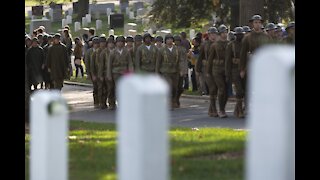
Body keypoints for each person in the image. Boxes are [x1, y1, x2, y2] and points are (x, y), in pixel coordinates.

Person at [240, 14, 270, 113]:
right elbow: (243, 54)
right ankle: (248, 107)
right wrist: (242, 69)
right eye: (255, 22)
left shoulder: (266, 37)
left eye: (259, 22)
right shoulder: (247, 37)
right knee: (249, 87)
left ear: (261, 24)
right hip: (251, 65)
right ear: (252, 24)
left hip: (264, 66)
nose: (257, 24)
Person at [207, 24, 230, 118]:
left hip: (227, 69)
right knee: (221, 88)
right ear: (219, 34)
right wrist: (208, 72)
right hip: (217, 69)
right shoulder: (215, 45)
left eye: (226, 32)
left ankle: (223, 108)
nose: (224, 34)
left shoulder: (230, 44)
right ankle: (220, 110)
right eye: (222, 33)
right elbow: (210, 60)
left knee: (226, 91)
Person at [156, 34, 182, 109]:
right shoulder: (162, 50)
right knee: (169, 86)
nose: (169, 41)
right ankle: (169, 102)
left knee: (175, 87)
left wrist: (181, 69)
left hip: (175, 71)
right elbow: (158, 62)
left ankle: (174, 100)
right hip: (165, 71)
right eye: (168, 39)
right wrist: (157, 73)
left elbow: (180, 60)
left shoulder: (177, 49)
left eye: (171, 39)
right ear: (165, 41)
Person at [107, 36, 134, 109]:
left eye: (122, 42)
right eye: (119, 42)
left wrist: (131, 71)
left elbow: (130, 62)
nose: (120, 44)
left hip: (125, 72)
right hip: (116, 72)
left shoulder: (126, 52)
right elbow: (109, 64)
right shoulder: (113, 52)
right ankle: (113, 103)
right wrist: (109, 74)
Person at [197, 27, 219, 115]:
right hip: (207, 69)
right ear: (208, 35)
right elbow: (200, 57)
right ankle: (214, 109)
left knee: (216, 89)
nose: (213, 36)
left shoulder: (219, 44)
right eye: (211, 34)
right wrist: (198, 69)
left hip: (217, 68)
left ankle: (211, 108)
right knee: (212, 88)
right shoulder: (204, 45)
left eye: (215, 34)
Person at [225, 27, 246, 118]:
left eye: (241, 34)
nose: (240, 36)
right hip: (235, 70)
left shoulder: (246, 44)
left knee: (244, 90)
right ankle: (240, 110)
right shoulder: (231, 45)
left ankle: (237, 108)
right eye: (238, 35)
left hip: (245, 69)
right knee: (239, 90)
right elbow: (228, 60)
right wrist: (227, 73)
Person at [174, 35, 188, 108]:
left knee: (180, 87)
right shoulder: (172, 49)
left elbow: (185, 60)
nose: (177, 42)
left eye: (178, 41)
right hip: (173, 70)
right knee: (174, 86)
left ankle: (177, 98)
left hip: (181, 69)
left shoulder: (183, 49)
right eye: (176, 40)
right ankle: (174, 100)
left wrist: (185, 71)